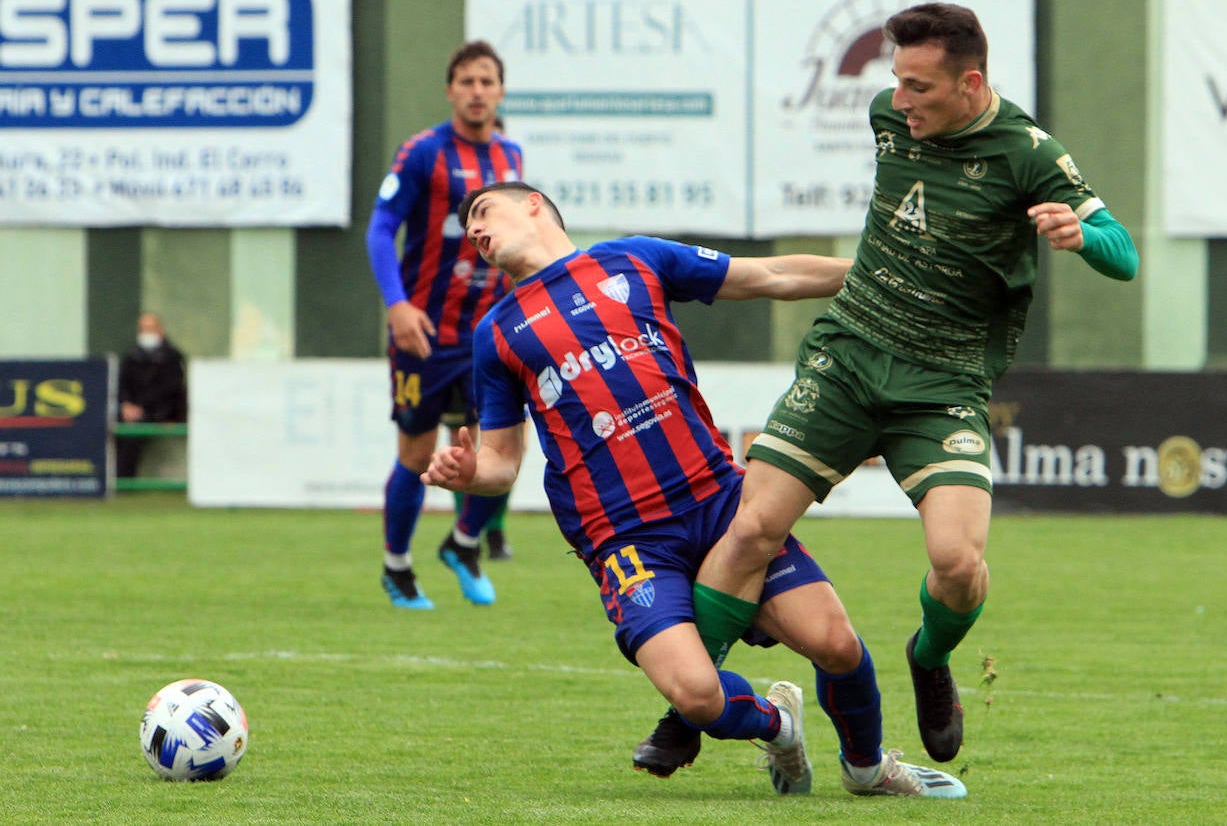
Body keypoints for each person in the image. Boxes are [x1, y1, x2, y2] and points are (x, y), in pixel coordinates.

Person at [685, 2, 1141, 765]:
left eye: (919, 87)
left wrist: (1079, 234)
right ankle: (691, 700)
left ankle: (928, 659)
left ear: (970, 84)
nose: (900, 101)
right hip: (850, 353)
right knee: (752, 528)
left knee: (959, 565)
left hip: (944, 381)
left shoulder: (1030, 153)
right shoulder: (888, 116)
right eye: (896, 81)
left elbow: (1122, 253)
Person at [420, 181, 968, 799]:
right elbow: (499, 462)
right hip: (625, 538)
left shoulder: (632, 260)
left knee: (837, 645)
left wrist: (883, 279)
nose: (474, 230)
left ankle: (867, 769)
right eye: (468, 226)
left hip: (719, 504)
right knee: (698, 695)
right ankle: (780, 726)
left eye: (483, 211)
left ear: (533, 205)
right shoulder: (497, 333)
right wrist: (469, 477)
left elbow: (773, 275)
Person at [366, 40, 522, 610]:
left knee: (501, 452)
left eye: (487, 81)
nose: (477, 91)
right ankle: (397, 567)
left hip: (488, 334)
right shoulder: (422, 153)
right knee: (416, 453)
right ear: (450, 90)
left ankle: (463, 543)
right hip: (423, 334)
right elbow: (381, 229)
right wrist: (397, 304)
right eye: (466, 81)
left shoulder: (511, 159)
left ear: (500, 91)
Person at [115, 312, 187, 478]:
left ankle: (124, 481)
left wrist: (143, 407)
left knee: (133, 434)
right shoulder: (131, 356)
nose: (147, 332)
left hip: (161, 413)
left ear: (160, 330)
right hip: (132, 411)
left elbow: (171, 390)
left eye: (150, 328)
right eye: (143, 328)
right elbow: (123, 385)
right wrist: (126, 404)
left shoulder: (172, 358)